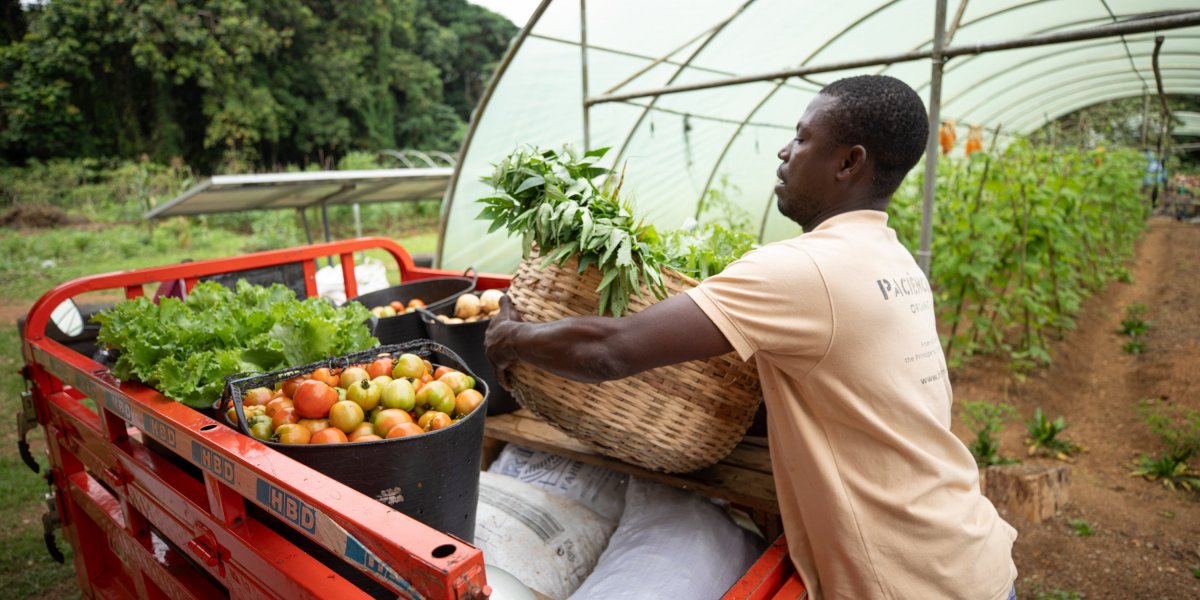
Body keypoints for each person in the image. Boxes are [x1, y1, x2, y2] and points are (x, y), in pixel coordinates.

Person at [485, 75, 1017, 600]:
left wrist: (513, 338)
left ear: (849, 162)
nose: (785, 151)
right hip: (967, 554)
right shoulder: (893, 260)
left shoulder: (806, 269)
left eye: (803, 138)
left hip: (911, 583)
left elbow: (612, 350)